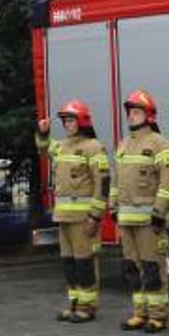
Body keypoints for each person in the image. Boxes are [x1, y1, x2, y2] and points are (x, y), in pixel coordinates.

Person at [35, 99, 111, 322]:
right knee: (69, 263)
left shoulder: (93, 148)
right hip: (64, 217)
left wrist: (95, 216)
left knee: (85, 261)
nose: (68, 124)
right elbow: (43, 148)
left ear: (82, 122)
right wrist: (43, 132)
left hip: (83, 219)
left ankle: (88, 307)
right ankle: (74, 303)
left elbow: (103, 183)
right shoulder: (61, 146)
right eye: (65, 121)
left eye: (71, 120)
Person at [111, 90, 169, 332]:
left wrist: (159, 212)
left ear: (149, 115)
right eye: (129, 112)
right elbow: (116, 180)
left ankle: (158, 315)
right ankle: (139, 312)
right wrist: (113, 208)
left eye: (137, 111)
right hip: (127, 219)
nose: (131, 116)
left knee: (153, 268)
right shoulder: (124, 144)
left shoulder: (160, 144)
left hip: (150, 221)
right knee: (133, 268)